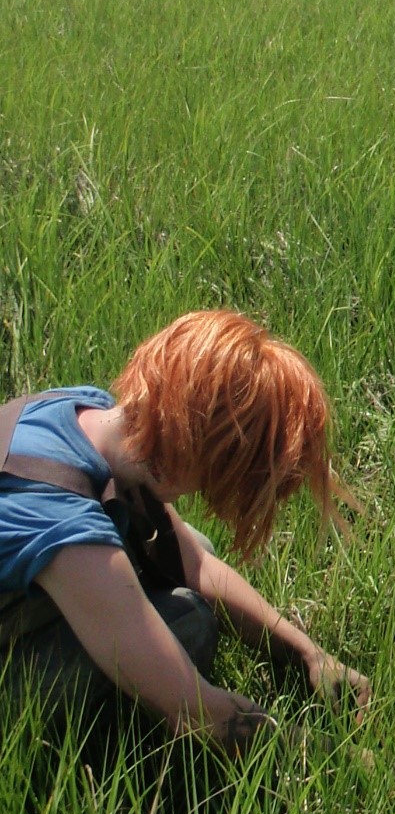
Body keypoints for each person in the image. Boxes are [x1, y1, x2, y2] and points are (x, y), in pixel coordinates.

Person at [0, 309, 369, 752]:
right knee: (186, 622)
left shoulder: (86, 411)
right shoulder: (64, 522)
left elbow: (195, 564)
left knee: (185, 548)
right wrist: (344, 758)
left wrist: (308, 653)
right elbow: (195, 713)